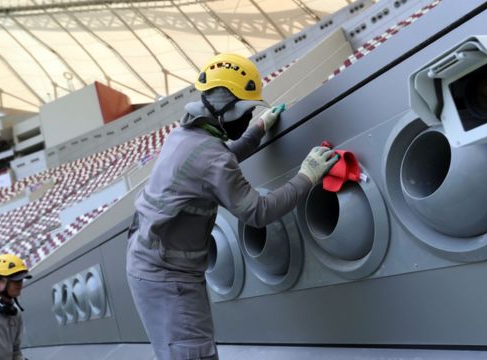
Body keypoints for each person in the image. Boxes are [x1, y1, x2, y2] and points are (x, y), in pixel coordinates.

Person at [126, 52, 338, 360]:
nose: (249, 117)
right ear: (225, 109)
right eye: (247, 111)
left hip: (151, 262)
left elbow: (217, 164)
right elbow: (258, 212)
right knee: (192, 354)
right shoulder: (210, 155)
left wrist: (257, 131)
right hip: (168, 278)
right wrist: (307, 175)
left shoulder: (185, 135)